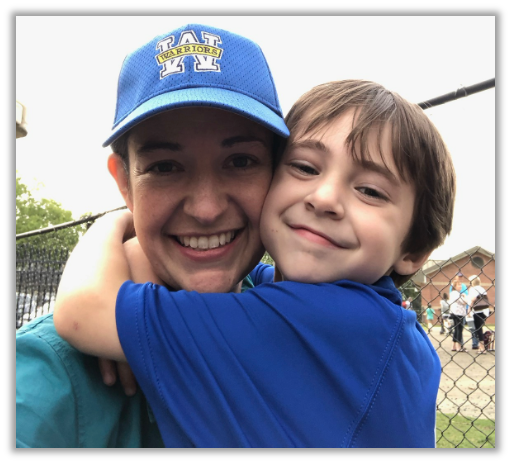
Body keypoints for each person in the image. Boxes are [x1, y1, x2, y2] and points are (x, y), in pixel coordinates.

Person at [54, 79, 457, 448]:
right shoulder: (376, 318)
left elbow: (83, 312)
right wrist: (144, 255)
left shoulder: (336, 323)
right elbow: (252, 276)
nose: (325, 198)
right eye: (304, 167)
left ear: (414, 251)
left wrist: (118, 224)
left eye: (370, 190)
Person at [16, 23, 289, 448]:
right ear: (124, 183)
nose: (206, 208)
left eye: (240, 161)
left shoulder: (300, 315)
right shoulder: (50, 375)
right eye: (164, 167)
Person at [468, 275, 490, 354]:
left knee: (478, 330)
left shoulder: (473, 289)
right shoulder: (482, 288)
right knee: (480, 328)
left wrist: (469, 309)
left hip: (477, 311)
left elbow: (472, 299)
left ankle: (482, 347)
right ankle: (482, 346)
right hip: (485, 311)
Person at [448, 280, 469, 352]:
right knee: (459, 330)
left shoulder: (454, 293)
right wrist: (465, 296)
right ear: (455, 286)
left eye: (460, 285)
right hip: (458, 313)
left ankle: (454, 345)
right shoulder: (456, 293)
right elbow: (464, 302)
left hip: (455, 313)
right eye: (459, 285)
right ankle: (458, 346)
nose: (460, 286)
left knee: (456, 329)